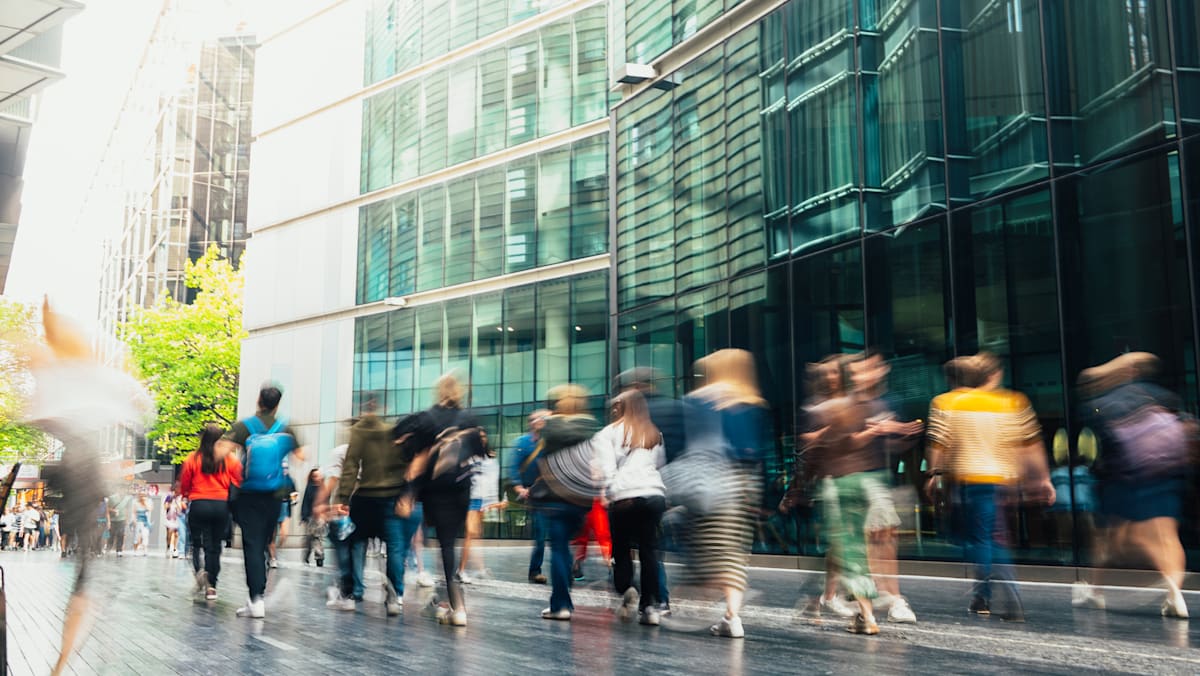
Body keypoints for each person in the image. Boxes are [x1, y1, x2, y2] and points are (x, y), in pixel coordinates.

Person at [925, 353, 1054, 621]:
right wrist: (1043, 479)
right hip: (1003, 482)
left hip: (969, 481)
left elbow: (938, 443)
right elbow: (1031, 444)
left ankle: (994, 596)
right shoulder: (1011, 402)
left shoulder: (947, 402)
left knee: (981, 539)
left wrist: (933, 476)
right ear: (991, 376)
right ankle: (985, 594)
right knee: (992, 536)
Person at [1075, 352, 1194, 617]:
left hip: (1126, 479)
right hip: (1167, 474)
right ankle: (1175, 590)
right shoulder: (1165, 397)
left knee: (1115, 538)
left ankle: (1096, 592)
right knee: (1167, 535)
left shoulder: (1102, 402)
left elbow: (1101, 449)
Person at [677, 349, 769, 639]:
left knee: (710, 545)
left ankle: (703, 594)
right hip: (747, 483)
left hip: (712, 481)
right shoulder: (754, 402)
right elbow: (760, 453)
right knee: (736, 550)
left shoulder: (699, 400)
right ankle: (732, 615)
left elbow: (688, 444)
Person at [404, 373, 487, 627]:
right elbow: (482, 452)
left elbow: (418, 460)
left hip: (435, 490)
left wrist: (408, 493)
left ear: (438, 391)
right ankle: (453, 605)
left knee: (445, 546)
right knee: (449, 543)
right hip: (461, 489)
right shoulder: (468, 419)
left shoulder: (428, 418)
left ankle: (454, 605)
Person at [218, 384, 305, 619]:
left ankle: (256, 599)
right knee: (267, 542)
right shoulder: (286, 428)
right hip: (276, 495)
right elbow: (302, 456)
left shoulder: (245, 426)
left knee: (252, 545)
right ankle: (259, 591)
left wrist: (238, 462)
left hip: (250, 495)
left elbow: (219, 451)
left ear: (259, 401)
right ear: (277, 404)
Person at [334, 398, 420, 617]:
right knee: (394, 546)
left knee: (353, 542)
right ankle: (395, 597)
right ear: (381, 409)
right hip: (390, 496)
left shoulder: (358, 431)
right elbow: (401, 463)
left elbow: (351, 464)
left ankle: (351, 593)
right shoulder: (390, 431)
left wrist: (343, 496)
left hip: (366, 496)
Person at [595, 389, 667, 626]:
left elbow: (607, 469)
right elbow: (660, 464)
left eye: (617, 405)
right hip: (654, 495)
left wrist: (608, 492)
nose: (613, 409)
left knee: (621, 547)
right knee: (649, 551)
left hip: (625, 495)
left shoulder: (608, 433)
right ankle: (649, 608)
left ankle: (627, 587)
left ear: (624, 407)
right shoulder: (654, 433)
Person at [530, 384, 600, 621]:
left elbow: (541, 457)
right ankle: (564, 598)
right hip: (580, 497)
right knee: (567, 548)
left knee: (558, 549)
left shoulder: (550, 427)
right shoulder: (591, 427)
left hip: (555, 497)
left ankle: (560, 604)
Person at [180, 423, 243, 601]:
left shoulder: (193, 458)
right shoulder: (230, 459)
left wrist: (185, 495)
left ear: (203, 438)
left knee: (196, 544)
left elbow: (185, 482)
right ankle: (212, 587)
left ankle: (199, 571)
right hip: (220, 506)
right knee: (214, 547)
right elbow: (239, 480)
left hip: (198, 503)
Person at [509, 409, 550, 584]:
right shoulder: (522, 442)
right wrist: (519, 488)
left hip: (554, 492)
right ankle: (535, 571)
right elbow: (513, 467)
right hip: (536, 494)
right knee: (540, 534)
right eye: (535, 419)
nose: (539, 421)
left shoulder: (551, 441)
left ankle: (566, 569)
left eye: (542, 418)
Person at [269, 466, 297, 568]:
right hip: (273, 508)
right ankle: (272, 558)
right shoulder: (273, 479)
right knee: (272, 535)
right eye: (283, 468)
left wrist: (294, 499)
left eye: (286, 468)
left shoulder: (290, 481)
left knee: (284, 533)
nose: (284, 470)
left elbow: (294, 493)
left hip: (285, 506)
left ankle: (275, 551)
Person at [300, 468, 325, 567]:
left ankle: (319, 558)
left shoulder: (324, 488)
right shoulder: (310, 488)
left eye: (318, 475)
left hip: (320, 517)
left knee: (318, 538)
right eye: (315, 476)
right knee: (309, 538)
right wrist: (304, 516)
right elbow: (305, 502)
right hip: (310, 517)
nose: (317, 477)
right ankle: (307, 555)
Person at [107, 490, 131, 557]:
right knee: (111, 535)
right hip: (113, 520)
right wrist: (113, 511)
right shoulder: (112, 498)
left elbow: (126, 509)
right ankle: (108, 549)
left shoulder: (127, 498)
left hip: (122, 520)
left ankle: (119, 550)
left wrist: (126, 519)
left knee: (121, 535)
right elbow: (107, 509)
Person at [163, 490, 181, 557]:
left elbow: (180, 508)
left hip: (177, 518)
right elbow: (165, 507)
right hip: (169, 518)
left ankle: (174, 549)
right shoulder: (169, 497)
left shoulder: (179, 498)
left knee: (176, 534)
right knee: (169, 533)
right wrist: (169, 504)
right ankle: (168, 547)